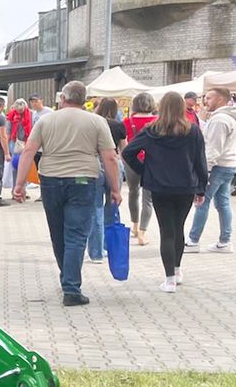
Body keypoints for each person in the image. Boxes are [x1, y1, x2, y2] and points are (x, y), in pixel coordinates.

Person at [13, 81, 119, 307]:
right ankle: (71, 287)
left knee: (58, 232)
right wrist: (116, 188)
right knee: (77, 234)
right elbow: (110, 157)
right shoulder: (97, 121)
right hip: (83, 180)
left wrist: (19, 184)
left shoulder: (46, 120)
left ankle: (67, 277)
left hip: (50, 180)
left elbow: (29, 151)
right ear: (84, 99)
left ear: (63, 99)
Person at [122, 92, 207, 293]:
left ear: (161, 108)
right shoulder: (193, 131)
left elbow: (128, 152)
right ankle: (177, 270)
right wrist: (201, 187)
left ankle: (169, 280)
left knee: (166, 231)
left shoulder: (151, 131)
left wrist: (145, 171)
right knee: (179, 228)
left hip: (160, 187)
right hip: (186, 186)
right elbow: (200, 161)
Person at [186, 87, 236, 253]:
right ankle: (225, 241)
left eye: (209, 98)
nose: (205, 101)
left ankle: (193, 240)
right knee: (223, 203)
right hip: (228, 165)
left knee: (202, 201)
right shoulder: (227, 118)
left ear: (220, 99)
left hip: (217, 166)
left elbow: (214, 149)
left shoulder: (219, 120)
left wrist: (205, 171)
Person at [86, 98, 127, 262]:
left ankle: (96, 252)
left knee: (95, 208)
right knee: (112, 206)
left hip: (95, 164)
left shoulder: (92, 124)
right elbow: (124, 149)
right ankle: (109, 247)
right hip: (113, 163)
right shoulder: (119, 125)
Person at [123, 91, 157, 245]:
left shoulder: (127, 121)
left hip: (132, 160)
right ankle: (143, 232)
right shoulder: (157, 121)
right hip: (151, 161)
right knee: (148, 198)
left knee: (133, 192)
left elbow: (125, 142)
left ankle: (135, 225)